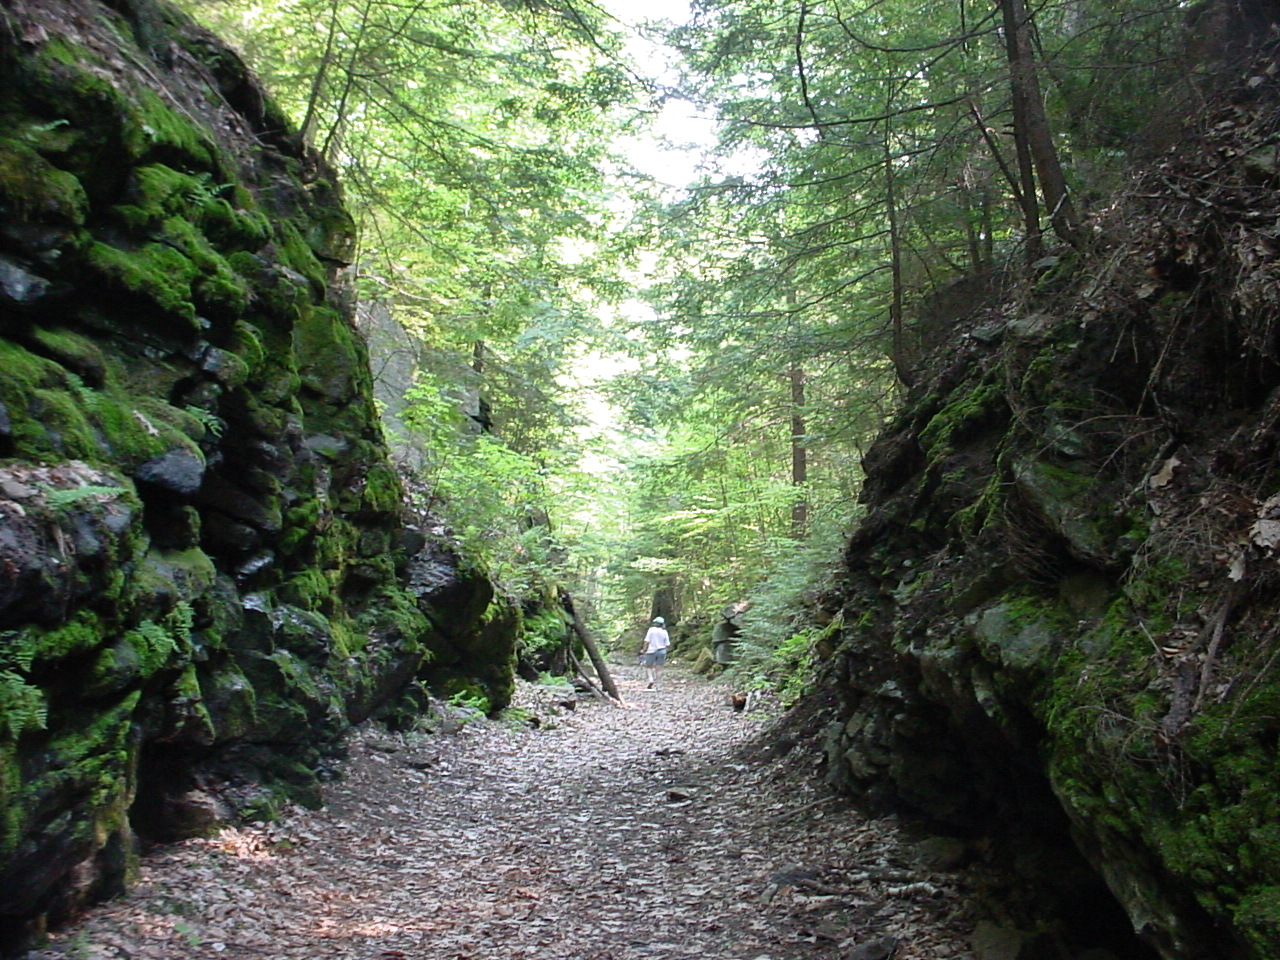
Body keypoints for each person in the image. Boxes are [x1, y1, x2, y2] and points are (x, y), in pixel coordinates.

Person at [642, 617, 669, 690]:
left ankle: (651, 679)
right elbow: (667, 644)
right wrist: (665, 652)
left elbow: (647, 641)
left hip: (651, 651)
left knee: (648, 666)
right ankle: (658, 684)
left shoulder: (651, 630)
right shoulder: (664, 632)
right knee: (659, 667)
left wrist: (644, 650)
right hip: (662, 651)